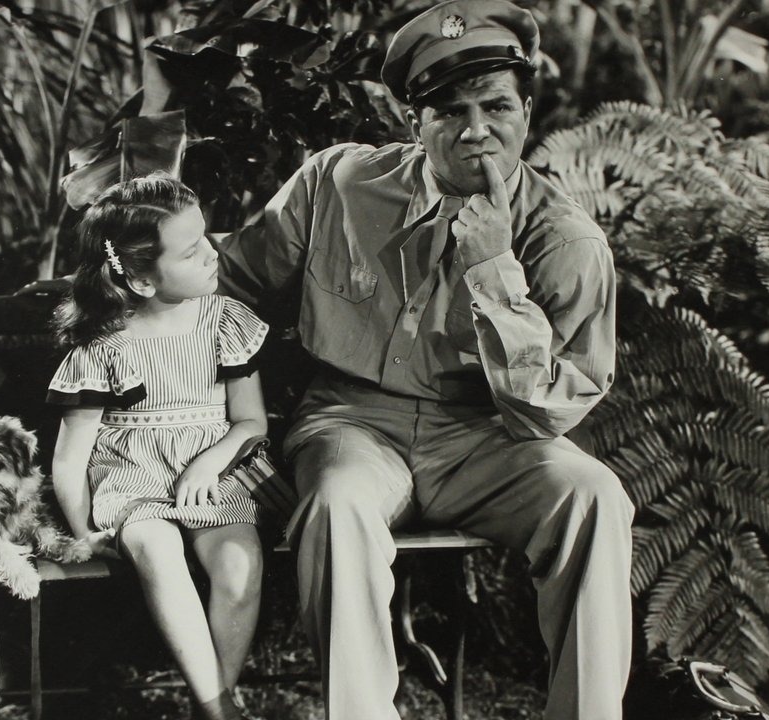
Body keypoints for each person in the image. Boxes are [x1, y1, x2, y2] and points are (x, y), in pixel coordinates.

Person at [217, 1, 635, 719]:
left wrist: (495, 269)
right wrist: (238, 416)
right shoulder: (338, 184)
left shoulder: (567, 242)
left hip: (491, 437)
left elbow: (546, 411)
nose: (476, 130)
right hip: (352, 423)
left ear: (527, 112)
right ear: (415, 122)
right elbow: (230, 283)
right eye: (449, 110)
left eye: (496, 106)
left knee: (594, 496)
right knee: (337, 505)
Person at [48, 174, 268, 720]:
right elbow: (70, 457)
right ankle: (220, 710)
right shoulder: (103, 345)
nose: (214, 253)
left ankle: (212, 702)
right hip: (134, 478)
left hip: (214, 474)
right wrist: (84, 532)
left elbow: (251, 422)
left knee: (239, 562)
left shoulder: (225, 323)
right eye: (192, 251)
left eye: (207, 238)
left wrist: (208, 462)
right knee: (157, 550)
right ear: (143, 281)